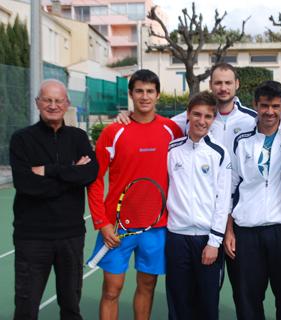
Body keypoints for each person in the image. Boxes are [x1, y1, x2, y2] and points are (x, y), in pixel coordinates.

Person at [87, 69, 183, 320]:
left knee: (147, 286)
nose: (144, 96)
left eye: (150, 91)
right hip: (116, 228)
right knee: (111, 289)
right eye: (139, 91)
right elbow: (95, 180)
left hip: (157, 226)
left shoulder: (172, 130)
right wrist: (102, 222)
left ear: (158, 95)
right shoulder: (113, 132)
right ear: (130, 94)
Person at [9, 79, 98, 319]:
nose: (53, 105)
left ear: (67, 104)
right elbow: (26, 185)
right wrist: (71, 173)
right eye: (47, 100)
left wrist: (50, 171)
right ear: (38, 102)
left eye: (59, 100)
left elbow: (90, 173)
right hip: (32, 238)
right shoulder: (22, 139)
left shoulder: (78, 138)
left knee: (71, 306)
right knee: (26, 308)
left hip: (71, 236)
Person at [225, 81, 281, 320]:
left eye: (275, 106)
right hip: (247, 230)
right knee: (248, 296)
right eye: (264, 106)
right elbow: (230, 187)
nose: (269, 112)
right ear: (255, 105)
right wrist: (229, 230)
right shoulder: (241, 140)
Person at [166, 91, 231, 320]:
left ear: (214, 119)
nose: (201, 121)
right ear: (188, 115)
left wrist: (214, 242)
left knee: (207, 304)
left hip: (206, 239)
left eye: (207, 116)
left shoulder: (220, 153)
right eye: (196, 114)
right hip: (176, 237)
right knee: (178, 302)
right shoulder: (172, 150)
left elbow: (223, 201)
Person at [117, 63, 257, 153]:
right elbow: (157, 125)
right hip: (204, 195)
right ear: (210, 85)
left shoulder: (253, 119)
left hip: (240, 197)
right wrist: (131, 114)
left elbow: (274, 124)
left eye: (228, 83)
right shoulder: (193, 117)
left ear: (237, 84)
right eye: (218, 83)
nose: (223, 88)